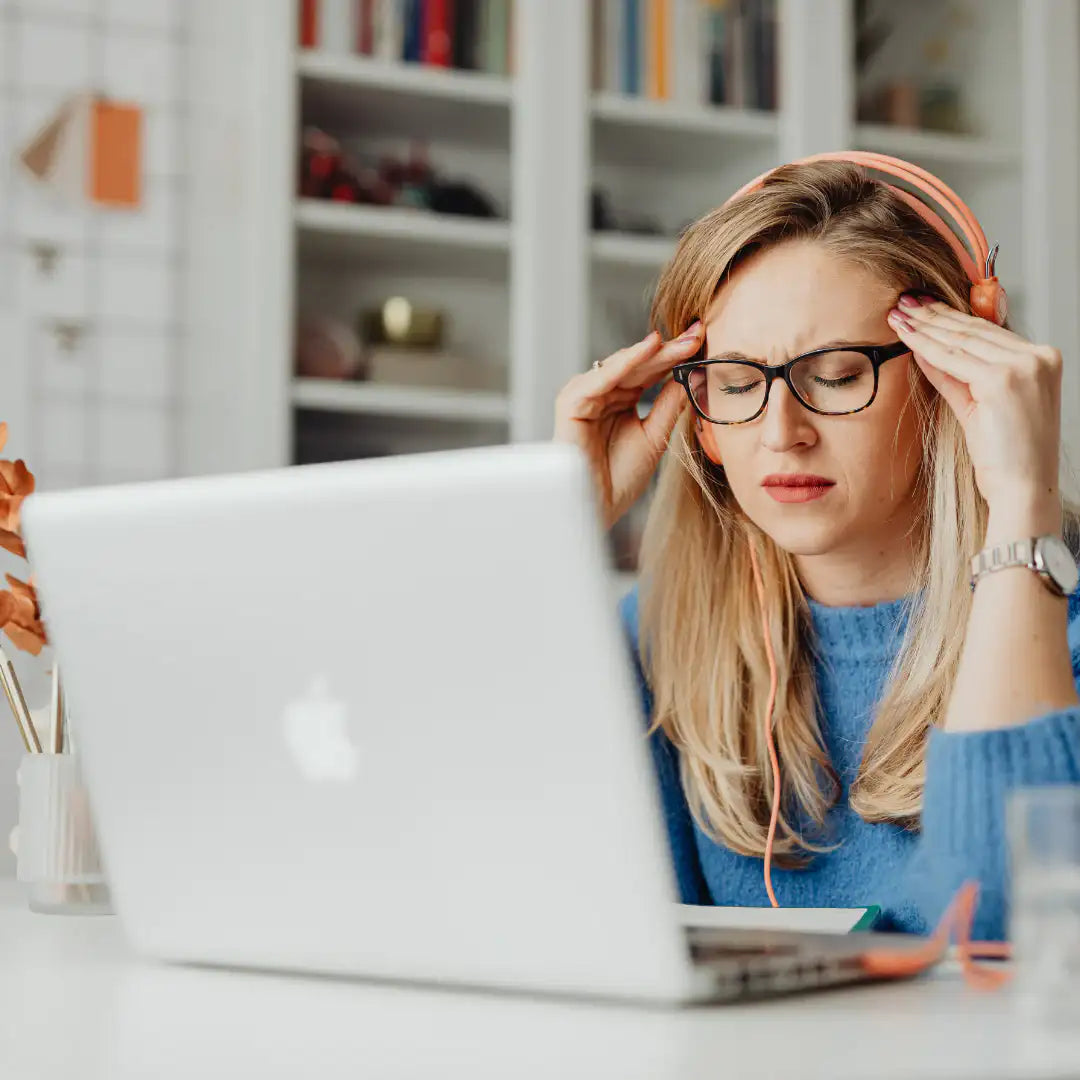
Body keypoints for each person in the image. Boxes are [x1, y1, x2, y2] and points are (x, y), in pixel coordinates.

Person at [553, 157, 1080, 940]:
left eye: (835, 377)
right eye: (737, 384)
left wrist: (1020, 506)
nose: (781, 433)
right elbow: (566, 912)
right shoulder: (661, 634)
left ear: (952, 381)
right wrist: (555, 531)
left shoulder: (1060, 623)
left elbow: (1005, 937)